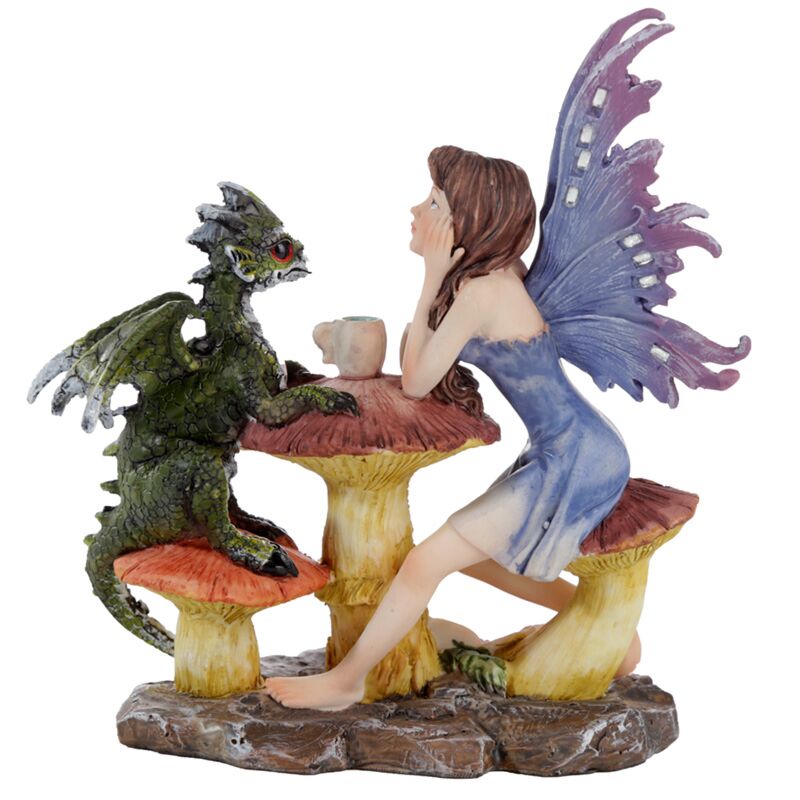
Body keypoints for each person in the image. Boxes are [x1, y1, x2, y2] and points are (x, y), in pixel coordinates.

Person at [263, 146, 638, 711]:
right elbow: (421, 357)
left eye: (435, 202)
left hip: (576, 455)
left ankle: (348, 681)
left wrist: (431, 276)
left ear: (470, 220)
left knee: (424, 562)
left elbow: (416, 381)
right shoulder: (491, 277)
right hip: (571, 445)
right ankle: (591, 616)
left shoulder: (482, 291)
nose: (417, 210)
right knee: (474, 557)